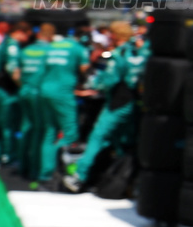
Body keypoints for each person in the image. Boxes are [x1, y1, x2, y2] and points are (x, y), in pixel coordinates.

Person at [65, 21, 148, 191]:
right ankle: (128, 178)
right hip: (135, 102)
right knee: (125, 140)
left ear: (115, 35)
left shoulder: (117, 55)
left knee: (97, 137)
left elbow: (108, 80)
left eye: (111, 34)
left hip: (117, 102)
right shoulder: (140, 51)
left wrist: (92, 86)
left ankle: (79, 176)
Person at [34, 24, 89, 184]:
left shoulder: (51, 47)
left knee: (50, 132)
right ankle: (63, 171)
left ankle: (45, 174)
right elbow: (85, 69)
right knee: (70, 133)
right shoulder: (77, 48)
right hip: (63, 92)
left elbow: (43, 70)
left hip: (45, 90)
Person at [0, 21, 31, 166]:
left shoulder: (4, 42)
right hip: (7, 92)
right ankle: (10, 156)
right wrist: (23, 87)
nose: (27, 40)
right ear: (21, 32)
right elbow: (13, 70)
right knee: (8, 125)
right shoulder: (12, 45)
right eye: (27, 35)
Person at [16, 24, 52, 183]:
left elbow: (16, 73)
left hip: (24, 90)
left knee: (26, 127)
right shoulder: (50, 51)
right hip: (38, 93)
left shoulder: (25, 50)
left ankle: (22, 164)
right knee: (40, 131)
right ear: (50, 36)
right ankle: (34, 170)